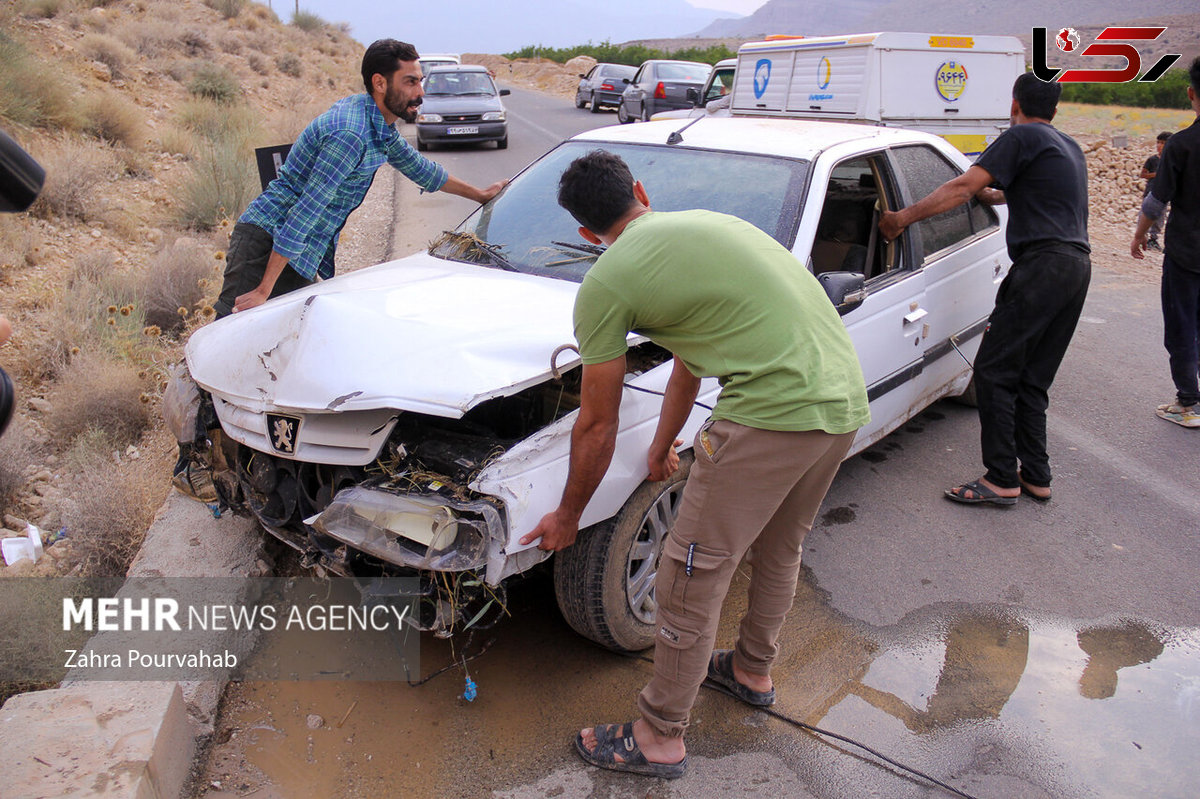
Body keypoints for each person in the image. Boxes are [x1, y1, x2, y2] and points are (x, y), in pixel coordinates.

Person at [518, 150, 870, 778]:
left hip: (770, 414)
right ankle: (750, 669)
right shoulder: (711, 228)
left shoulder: (608, 281)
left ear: (583, 233)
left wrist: (568, 515)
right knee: (780, 549)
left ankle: (658, 736)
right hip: (841, 403)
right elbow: (691, 356)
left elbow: (597, 423)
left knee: (688, 573)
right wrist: (661, 447)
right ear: (642, 193)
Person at [880, 73, 1090, 506]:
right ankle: (1036, 475)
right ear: (1055, 109)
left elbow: (961, 188)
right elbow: (1019, 194)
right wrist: (991, 196)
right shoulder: (1066, 146)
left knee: (993, 371)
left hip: (1041, 268)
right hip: (1076, 268)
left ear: (1014, 105)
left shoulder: (1020, 137)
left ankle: (1000, 479)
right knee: (1033, 379)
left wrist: (901, 219)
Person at [214, 39, 506, 318]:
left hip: (295, 251)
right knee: (228, 338)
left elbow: (424, 170)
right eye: (410, 82)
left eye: (420, 81)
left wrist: (480, 195)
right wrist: (264, 290)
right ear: (380, 83)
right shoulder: (351, 135)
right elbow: (304, 213)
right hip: (267, 245)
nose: (420, 93)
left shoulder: (377, 125)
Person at [1131, 56, 1200, 429]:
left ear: (1191, 93)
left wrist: (1140, 235)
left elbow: (1156, 202)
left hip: (1187, 252)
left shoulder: (1181, 145)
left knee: (1182, 325)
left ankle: (1189, 403)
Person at [1139, 131, 1171, 251]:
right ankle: (1141, 237)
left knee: (1160, 217)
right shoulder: (1152, 160)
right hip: (1151, 193)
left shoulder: (1170, 160)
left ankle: (1153, 239)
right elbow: (1143, 174)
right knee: (1145, 214)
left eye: (1163, 143)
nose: (1159, 145)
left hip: (1164, 194)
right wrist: (1157, 175)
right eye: (1158, 142)